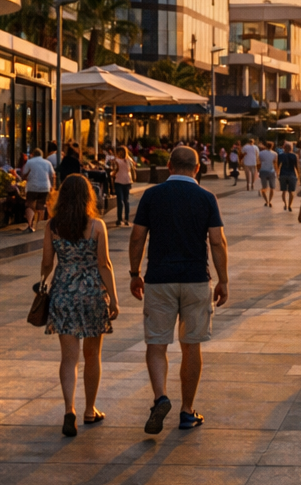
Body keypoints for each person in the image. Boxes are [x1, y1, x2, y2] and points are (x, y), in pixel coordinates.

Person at [129, 146, 227, 433]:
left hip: (159, 279)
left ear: (168, 166)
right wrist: (224, 279)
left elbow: (137, 237)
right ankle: (187, 411)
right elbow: (217, 241)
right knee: (191, 345)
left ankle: (160, 397)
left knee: (157, 344)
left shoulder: (152, 195)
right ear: (197, 169)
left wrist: (135, 273)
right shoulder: (206, 197)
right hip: (196, 278)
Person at [39, 174, 120, 438]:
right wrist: (114, 298)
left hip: (63, 292)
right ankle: (89, 409)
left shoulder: (52, 226)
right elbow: (104, 264)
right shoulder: (97, 226)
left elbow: (47, 262)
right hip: (93, 294)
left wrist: (43, 280)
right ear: (88, 196)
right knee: (92, 356)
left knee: (69, 358)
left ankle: (69, 410)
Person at [21, 147, 57, 233]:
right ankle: (39, 226)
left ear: (33, 154)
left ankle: (30, 225)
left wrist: (26, 178)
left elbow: (24, 173)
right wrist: (52, 186)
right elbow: (53, 175)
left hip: (32, 187)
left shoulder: (29, 162)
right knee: (41, 205)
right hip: (45, 187)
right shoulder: (47, 163)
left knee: (30, 205)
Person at [109, 146, 135, 226]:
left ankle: (120, 219)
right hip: (127, 181)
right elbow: (132, 168)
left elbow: (114, 170)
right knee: (125, 200)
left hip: (119, 181)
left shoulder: (117, 160)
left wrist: (112, 174)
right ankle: (126, 219)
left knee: (120, 201)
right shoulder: (129, 160)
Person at [257, 139, 278, 208]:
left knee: (264, 187)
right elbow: (275, 164)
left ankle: (266, 201)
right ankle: (270, 201)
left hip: (263, 170)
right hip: (271, 171)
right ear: (272, 146)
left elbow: (259, 163)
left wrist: (258, 170)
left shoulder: (261, 153)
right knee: (272, 188)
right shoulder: (275, 154)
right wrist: (277, 172)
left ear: (265, 146)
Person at [278, 143, 298, 213]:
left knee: (283, 191)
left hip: (283, 174)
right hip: (292, 174)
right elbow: (296, 166)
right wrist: (298, 175)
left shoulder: (281, 156)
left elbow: (278, 165)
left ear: (284, 148)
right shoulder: (294, 156)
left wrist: (278, 174)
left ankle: (285, 204)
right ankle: (290, 205)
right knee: (291, 192)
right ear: (291, 148)